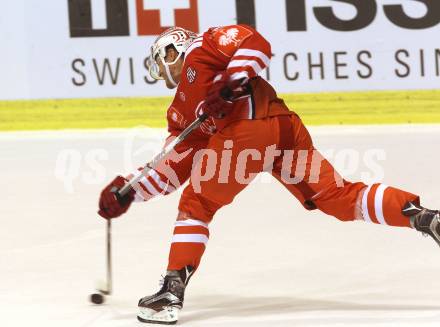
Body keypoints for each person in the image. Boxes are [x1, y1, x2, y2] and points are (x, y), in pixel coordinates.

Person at [98, 25, 440, 325]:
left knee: (197, 203)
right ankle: (421, 217)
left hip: (247, 134)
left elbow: (255, 43)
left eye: (161, 61)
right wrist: (129, 190)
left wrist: (231, 80)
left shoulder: (205, 46)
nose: (161, 71)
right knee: (336, 197)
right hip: (284, 130)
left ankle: (171, 292)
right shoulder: (180, 109)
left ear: (172, 49)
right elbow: (174, 165)